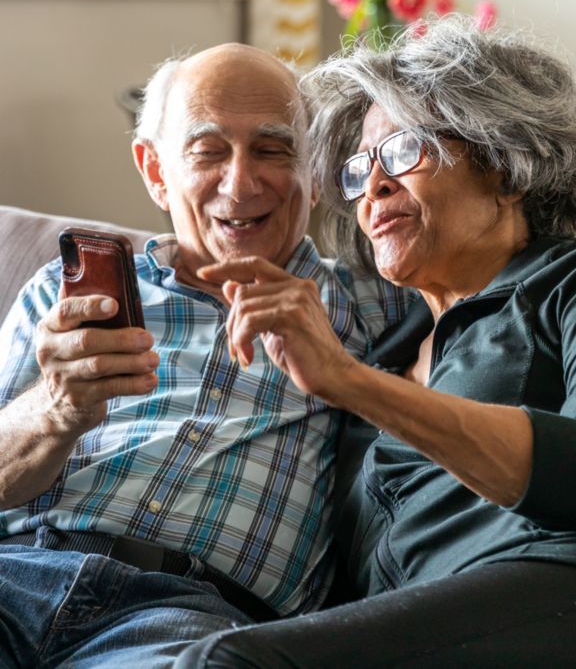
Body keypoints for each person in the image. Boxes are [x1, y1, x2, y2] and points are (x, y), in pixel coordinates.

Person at [184, 16, 576, 666]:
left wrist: (350, 381)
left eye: (403, 151)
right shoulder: (386, 341)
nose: (373, 186)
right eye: (359, 168)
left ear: (505, 166)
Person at [0, 44, 412, 667]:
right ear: (155, 171)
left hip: (185, 619)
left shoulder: (377, 301)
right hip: (17, 576)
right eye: (207, 150)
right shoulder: (64, 295)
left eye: (274, 150)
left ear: (317, 170)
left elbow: (511, 285)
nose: (241, 182)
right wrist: (55, 411)